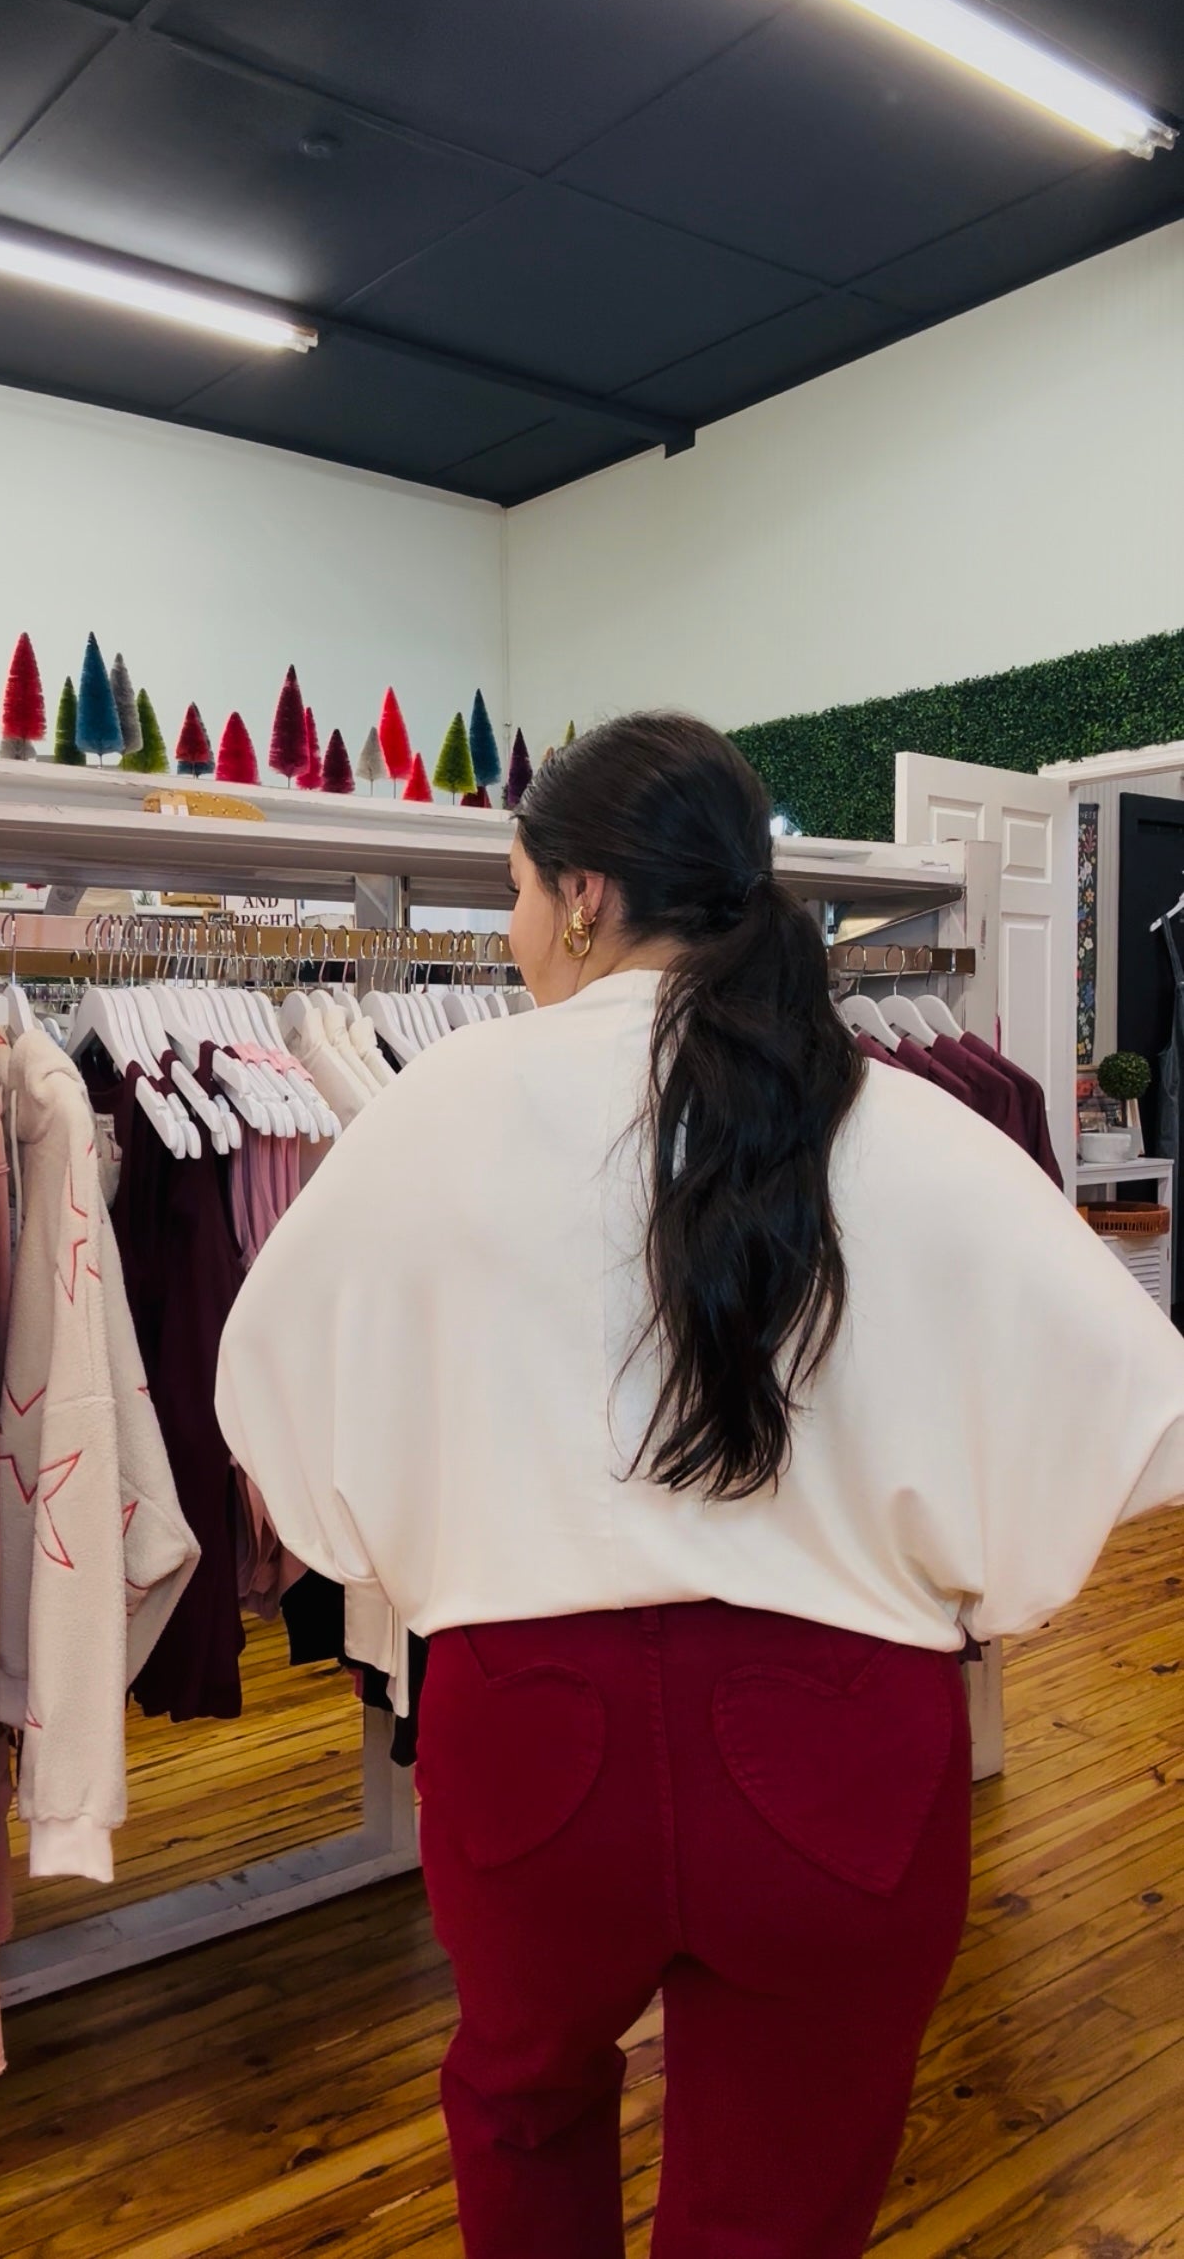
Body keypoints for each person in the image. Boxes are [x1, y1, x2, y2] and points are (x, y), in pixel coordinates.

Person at [216, 713, 1184, 2259]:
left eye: (518, 892)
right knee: (780, 2202)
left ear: (585, 893)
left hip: (527, 1733)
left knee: (524, 2123)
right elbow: (1138, 1405)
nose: (517, 931)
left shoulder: (434, 1111)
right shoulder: (892, 1118)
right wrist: (961, 1575)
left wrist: (414, 1544)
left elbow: (262, 1380)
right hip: (839, 1741)